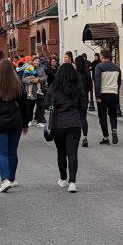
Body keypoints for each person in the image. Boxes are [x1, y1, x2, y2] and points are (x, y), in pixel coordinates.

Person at [0, 59, 34, 192]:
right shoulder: (18, 86)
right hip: (15, 122)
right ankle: (11, 178)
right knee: (12, 152)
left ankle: (4, 180)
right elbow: (24, 107)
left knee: (1, 152)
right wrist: (25, 124)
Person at [46, 61, 85, 192]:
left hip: (58, 124)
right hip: (74, 123)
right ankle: (72, 182)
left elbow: (47, 104)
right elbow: (83, 105)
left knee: (61, 152)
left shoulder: (54, 87)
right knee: (73, 153)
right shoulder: (78, 87)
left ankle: (63, 178)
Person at [93, 49, 122, 145]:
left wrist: (97, 96)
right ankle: (114, 129)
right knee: (113, 114)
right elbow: (119, 82)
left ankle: (105, 137)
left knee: (102, 116)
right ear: (110, 57)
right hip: (113, 93)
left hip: (103, 93)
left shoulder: (99, 67)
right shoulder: (117, 68)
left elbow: (97, 81)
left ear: (101, 57)